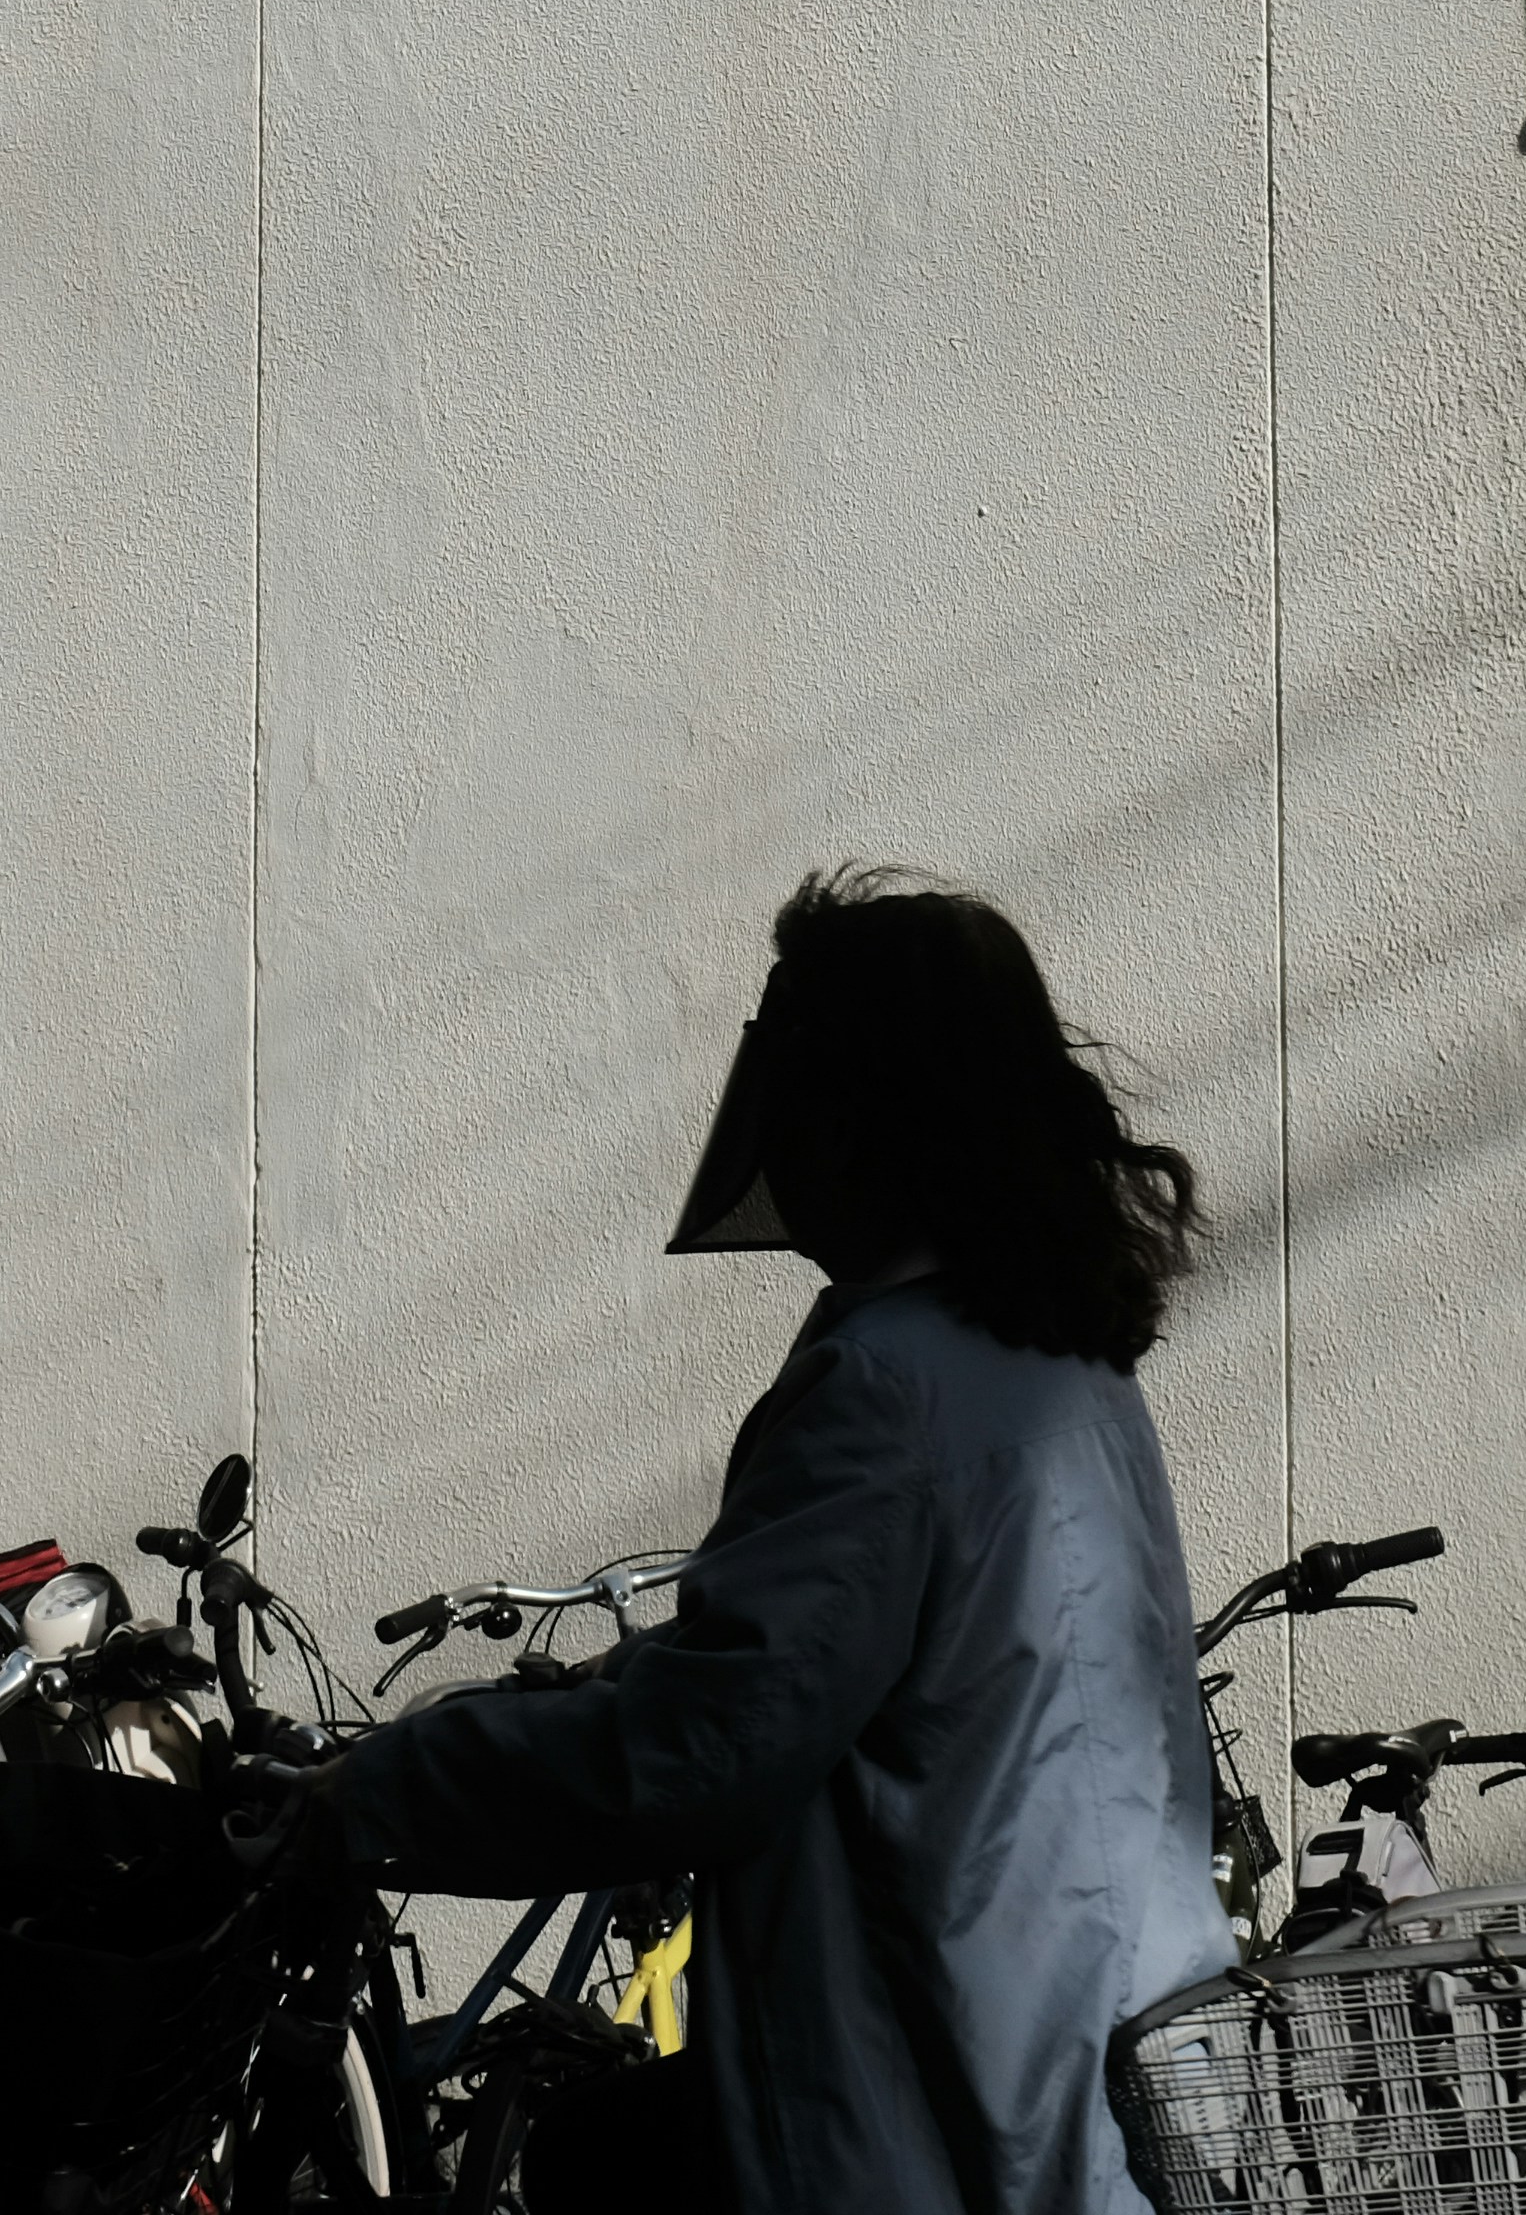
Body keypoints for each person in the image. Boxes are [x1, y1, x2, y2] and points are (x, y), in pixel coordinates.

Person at [326, 869, 1238, 2215]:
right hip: (1088, 2060)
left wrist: (370, 1793)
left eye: (802, 1079)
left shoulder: (884, 1382)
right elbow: (863, 1676)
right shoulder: (1064, 1368)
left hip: (935, 2103)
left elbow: (707, 1753)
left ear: (869, 1110)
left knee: (591, 2155)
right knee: (605, 2146)